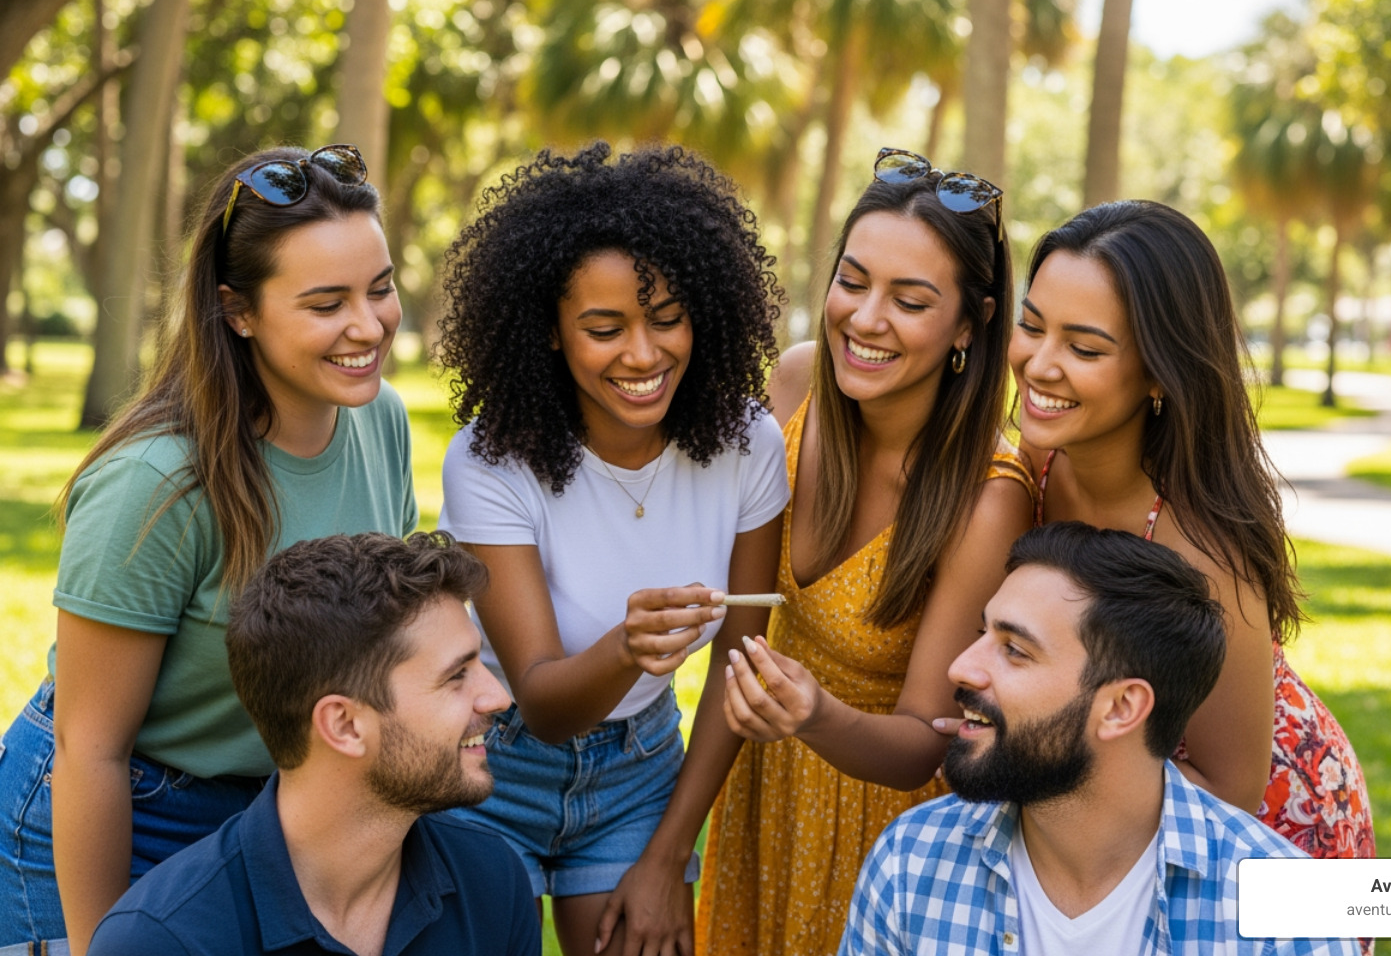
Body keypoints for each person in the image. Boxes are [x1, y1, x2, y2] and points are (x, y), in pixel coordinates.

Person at [0, 144, 417, 955]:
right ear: (238, 311)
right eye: (326, 303)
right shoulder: (155, 484)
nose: (368, 327)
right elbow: (91, 750)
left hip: (272, 810)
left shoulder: (382, 420)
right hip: (118, 808)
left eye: (381, 288)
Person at [433, 142, 789, 955]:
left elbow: (740, 667)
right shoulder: (493, 459)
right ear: (551, 334)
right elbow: (547, 702)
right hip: (492, 767)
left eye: (667, 319)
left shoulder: (746, 444)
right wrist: (629, 647)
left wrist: (669, 854)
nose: (643, 354)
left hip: (643, 770)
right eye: (604, 328)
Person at [696, 147, 1034, 955]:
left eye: (910, 300)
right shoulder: (797, 386)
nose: (866, 318)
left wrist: (814, 713)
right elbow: (737, 637)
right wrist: (676, 841)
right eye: (853, 281)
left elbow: (927, 741)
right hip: (759, 793)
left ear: (970, 322)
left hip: (880, 836)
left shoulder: (987, 497)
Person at [1001, 199, 1373, 863]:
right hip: (1108, 813)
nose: (1038, 364)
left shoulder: (1203, 553)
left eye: (1083, 347)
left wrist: (1030, 756)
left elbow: (1233, 790)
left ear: (1158, 374)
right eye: (1032, 326)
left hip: (1266, 828)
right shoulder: (1033, 462)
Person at [840, 522, 1362, 956]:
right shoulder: (912, 861)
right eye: (983, 635)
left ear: (1121, 708)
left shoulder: (1284, 921)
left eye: (1015, 650)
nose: (961, 668)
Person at [86, 531, 540, 956]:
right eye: (456, 675)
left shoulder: (493, 882)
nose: (499, 697)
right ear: (343, 725)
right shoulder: (163, 940)